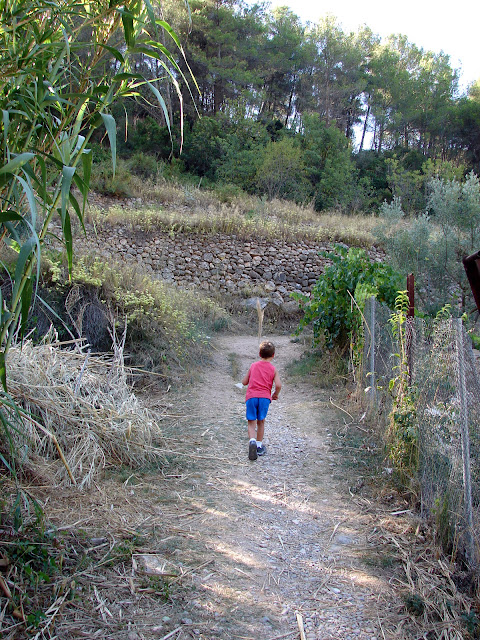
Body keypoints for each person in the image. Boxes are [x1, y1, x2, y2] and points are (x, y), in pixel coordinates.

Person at [242, 340, 282, 461]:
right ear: (273, 355)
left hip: (252, 397)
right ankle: (259, 446)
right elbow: (279, 385)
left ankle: (252, 441)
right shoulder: (273, 369)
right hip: (264, 398)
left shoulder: (253, 366)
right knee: (261, 421)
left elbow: (244, 382)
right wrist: (275, 394)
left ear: (259, 354)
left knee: (251, 422)